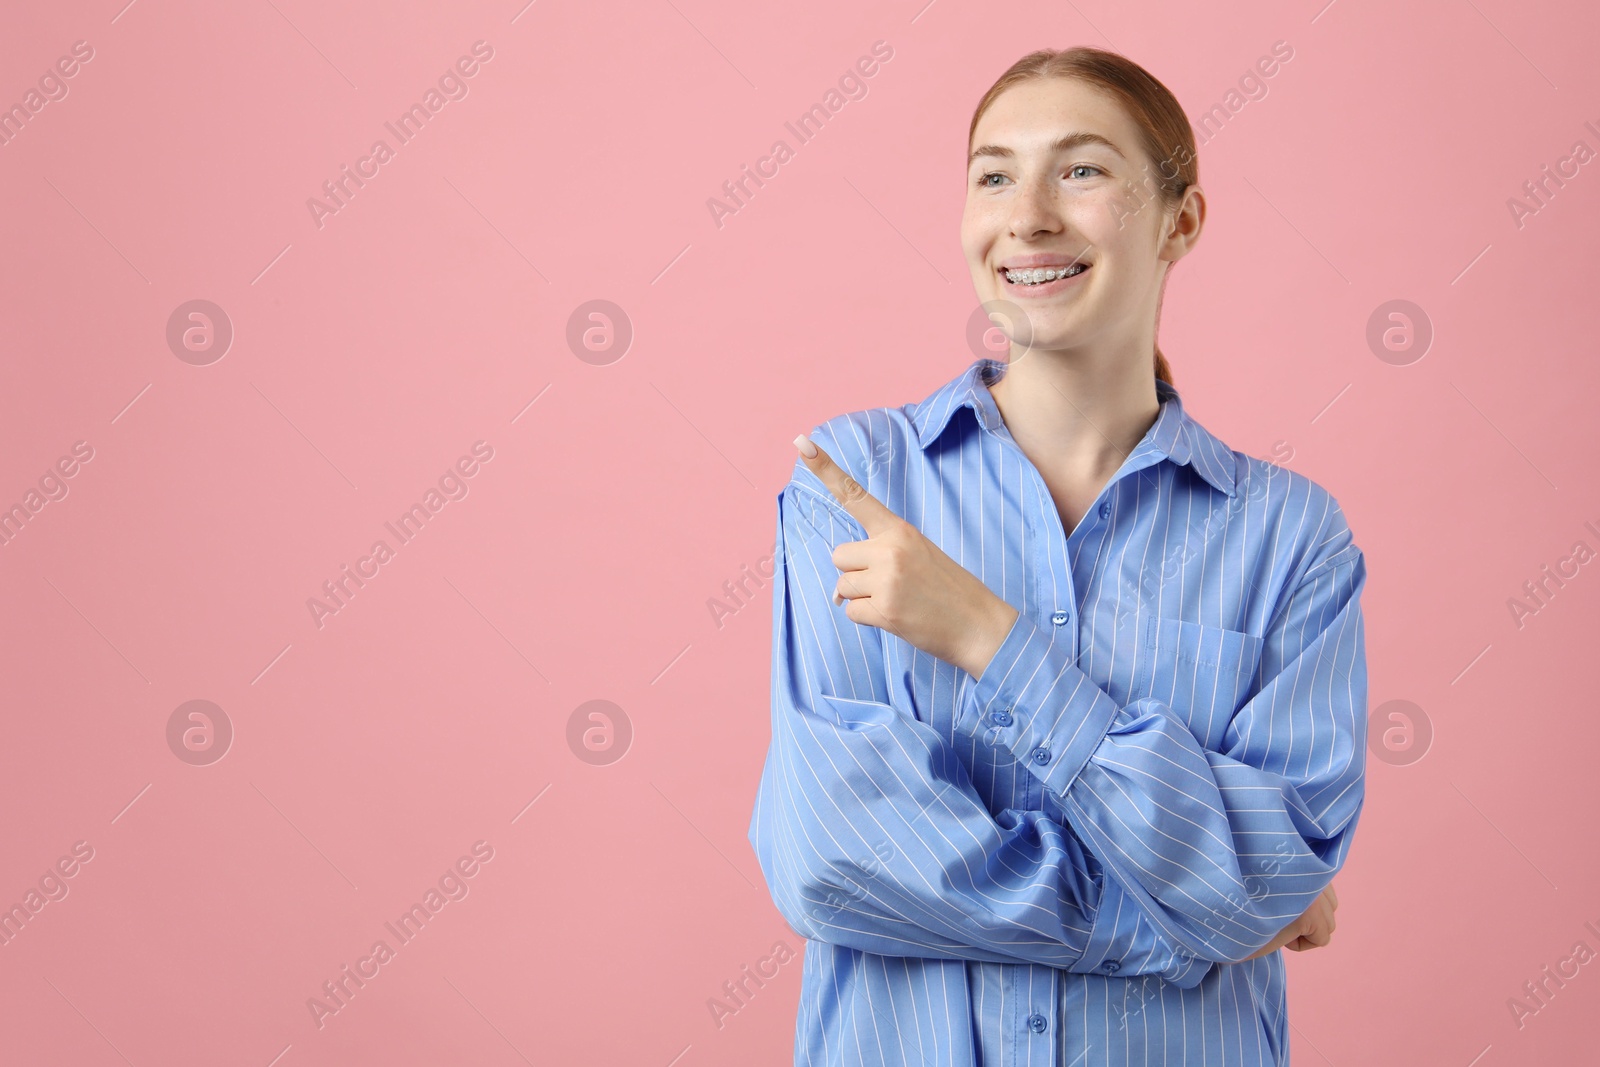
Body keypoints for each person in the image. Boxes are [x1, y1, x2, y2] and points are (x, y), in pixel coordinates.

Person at [747, 45, 1367, 1066]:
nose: (1026, 213)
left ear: (1182, 220)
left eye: (1080, 170)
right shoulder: (855, 481)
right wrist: (1183, 921)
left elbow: (1270, 873)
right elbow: (837, 859)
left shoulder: (1290, 537)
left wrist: (990, 637)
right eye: (993, 173)